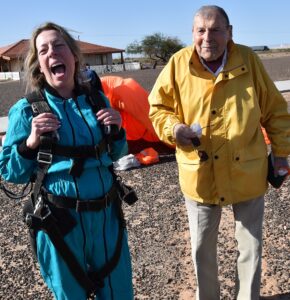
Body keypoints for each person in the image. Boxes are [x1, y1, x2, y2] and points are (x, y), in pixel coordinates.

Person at [148, 5, 290, 300]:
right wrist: (174, 130)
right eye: (200, 30)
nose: (207, 37)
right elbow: (158, 108)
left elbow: (275, 110)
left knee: (251, 247)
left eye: (215, 29)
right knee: (201, 250)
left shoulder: (248, 60)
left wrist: (281, 154)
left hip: (246, 170)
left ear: (230, 33)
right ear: (193, 34)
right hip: (200, 173)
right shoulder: (177, 64)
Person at [0, 22, 133, 300]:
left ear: (74, 56)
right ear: (39, 64)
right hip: (60, 225)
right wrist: (31, 142)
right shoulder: (26, 111)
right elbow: (10, 172)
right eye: (44, 50)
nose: (53, 53)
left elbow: (116, 155)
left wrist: (118, 130)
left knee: (119, 293)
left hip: (107, 219)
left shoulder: (97, 101)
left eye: (59, 45)